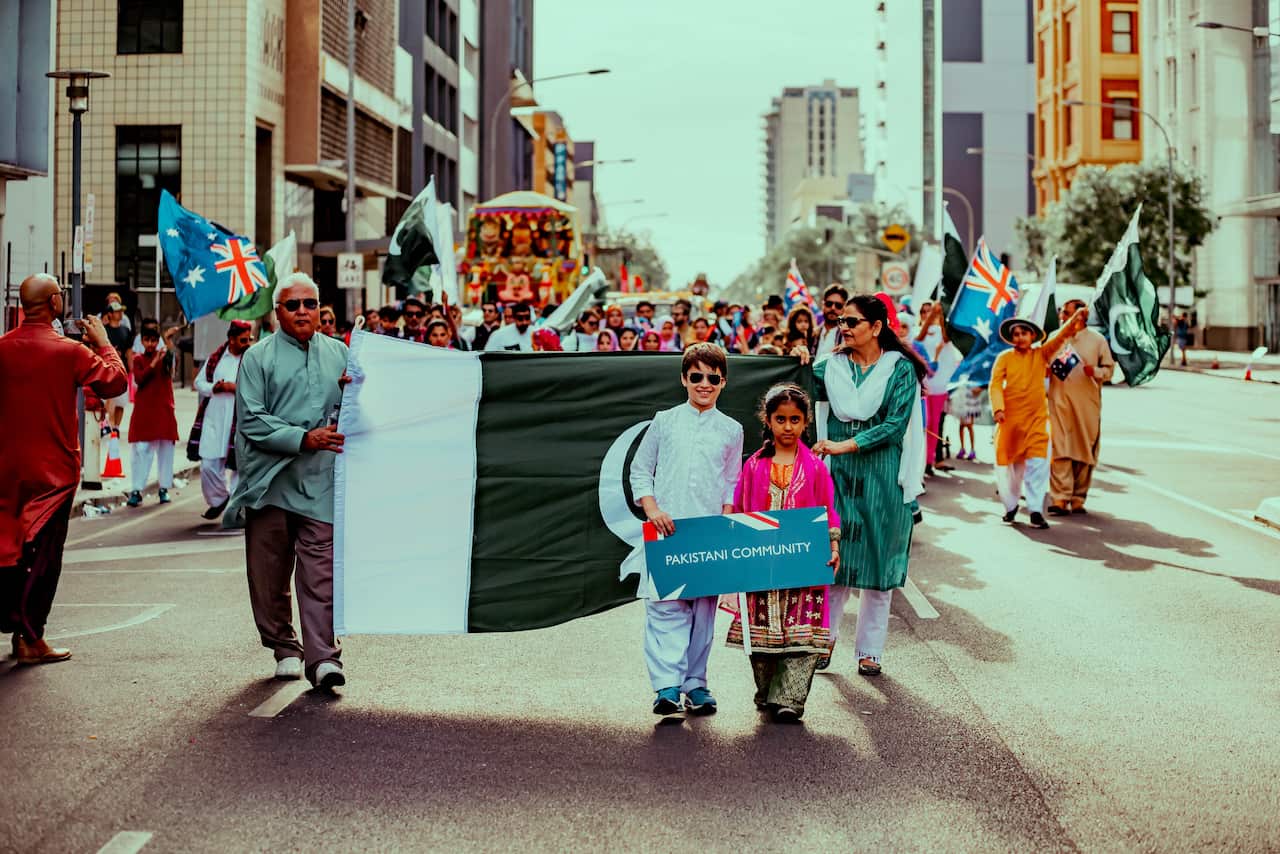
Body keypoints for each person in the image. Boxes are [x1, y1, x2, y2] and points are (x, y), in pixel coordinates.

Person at [228, 273, 348, 689]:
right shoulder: (257, 357)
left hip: (321, 483)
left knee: (320, 573)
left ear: (320, 309)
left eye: (310, 304)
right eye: (293, 305)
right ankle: (284, 647)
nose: (303, 311)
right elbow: (251, 419)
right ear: (277, 312)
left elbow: (358, 406)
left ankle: (323, 658)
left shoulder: (341, 353)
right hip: (270, 483)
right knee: (269, 574)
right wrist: (302, 438)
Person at [0, 274, 128, 664]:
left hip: (6, 469)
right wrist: (104, 344)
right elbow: (115, 383)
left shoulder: (2, 347)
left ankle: (18, 627)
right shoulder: (69, 350)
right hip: (52, 474)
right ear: (55, 303)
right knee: (43, 558)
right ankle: (30, 637)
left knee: (9, 550)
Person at [808, 294, 927, 676]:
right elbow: (794, 391)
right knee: (834, 559)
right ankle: (823, 639)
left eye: (853, 321)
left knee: (879, 564)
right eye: (841, 319)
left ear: (876, 327)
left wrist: (845, 445)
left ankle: (870, 651)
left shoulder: (900, 369)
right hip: (837, 476)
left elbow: (895, 426)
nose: (844, 326)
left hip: (882, 475)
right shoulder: (829, 367)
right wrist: (795, 357)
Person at [630, 342, 743, 715]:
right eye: (696, 377)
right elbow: (640, 470)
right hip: (667, 530)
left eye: (713, 378)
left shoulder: (732, 429)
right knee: (664, 607)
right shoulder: (664, 421)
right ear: (684, 378)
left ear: (723, 382)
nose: (704, 384)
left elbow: (731, 480)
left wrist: (726, 517)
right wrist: (652, 510)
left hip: (709, 532)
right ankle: (666, 687)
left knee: (703, 611)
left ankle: (696, 684)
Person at [725, 384, 840, 722]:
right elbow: (742, 512)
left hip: (803, 567)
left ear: (805, 423)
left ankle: (791, 699)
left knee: (802, 635)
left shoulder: (816, 468)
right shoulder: (754, 466)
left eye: (795, 419)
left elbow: (827, 510)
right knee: (761, 640)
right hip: (761, 568)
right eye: (780, 419)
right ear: (769, 421)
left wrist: (833, 546)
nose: (788, 427)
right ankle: (767, 692)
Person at [989, 305, 1089, 529]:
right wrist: (998, 408)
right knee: (1012, 468)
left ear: (1032, 336)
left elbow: (1062, 336)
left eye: (1024, 333)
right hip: (1010, 420)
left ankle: (1034, 509)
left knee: (1038, 462)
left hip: (1036, 418)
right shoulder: (1004, 358)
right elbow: (995, 384)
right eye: (1016, 334)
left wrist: (1074, 317)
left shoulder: (1041, 354)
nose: (1020, 337)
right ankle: (1011, 505)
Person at [1047, 300, 1114, 516]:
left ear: (1082, 317)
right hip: (1059, 402)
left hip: (1087, 405)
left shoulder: (1097, 340)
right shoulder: (1056, 338)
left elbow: (1109, 370)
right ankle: (1060, 497)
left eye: (1067, 313)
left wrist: (1094, 371)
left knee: (1084, 451)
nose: (1062, 316)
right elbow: (1043, 361)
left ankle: (1078, 497)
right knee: (1061, 449)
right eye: (1062, 313)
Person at [191, 321, 254, 520]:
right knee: (208, 465)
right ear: (231, 339)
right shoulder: (216, 358)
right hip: (215, 418)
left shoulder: (252, 358)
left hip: (241, 420)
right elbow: (199, 382)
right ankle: (219, 499)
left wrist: (235, 388)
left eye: (249, 339)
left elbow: (260, 386)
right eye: (243, 340)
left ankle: (236, 511)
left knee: (239, 468)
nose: (247, 343)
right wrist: (214, 388)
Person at [126, 323, 180, 507]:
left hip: (163, 410)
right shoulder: (138, 359)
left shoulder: (164, 356)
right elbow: (140, 379)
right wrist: (154, 362)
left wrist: (168, 341)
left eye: (153, 340)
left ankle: (163, 488)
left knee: (166, 451)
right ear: (142, 341)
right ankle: (136, 489)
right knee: (141, 451)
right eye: (147, 340)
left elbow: (172, 363)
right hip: (145, 412)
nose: (150, 344)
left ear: (157, 341)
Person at [102, 297, 133, 433]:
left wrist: (131, 369)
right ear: (109, 314)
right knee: (109, 400)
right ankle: (109, 423)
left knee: (121, 402)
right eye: (117, 311)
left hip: (122, 370)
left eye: (121, 311)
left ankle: (116, 427)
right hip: (107, 369)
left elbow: (129, 351)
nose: (120, 314)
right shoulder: (103, 331)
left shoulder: (126, 330)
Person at [948, 383, 983, 461]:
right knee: (961, 426)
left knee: (969, 426)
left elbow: (982, 387)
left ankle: (972, 450)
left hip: (971, 404)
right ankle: (962, 448)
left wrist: (976, 390)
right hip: (962, 402)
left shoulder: (976, 376)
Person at [815, 284, 848, 358]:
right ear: (823, 304)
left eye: (838, 305)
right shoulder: (812, 334)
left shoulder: (847, 336)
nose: (833, 308)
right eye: (829, 304)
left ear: (844, 308)